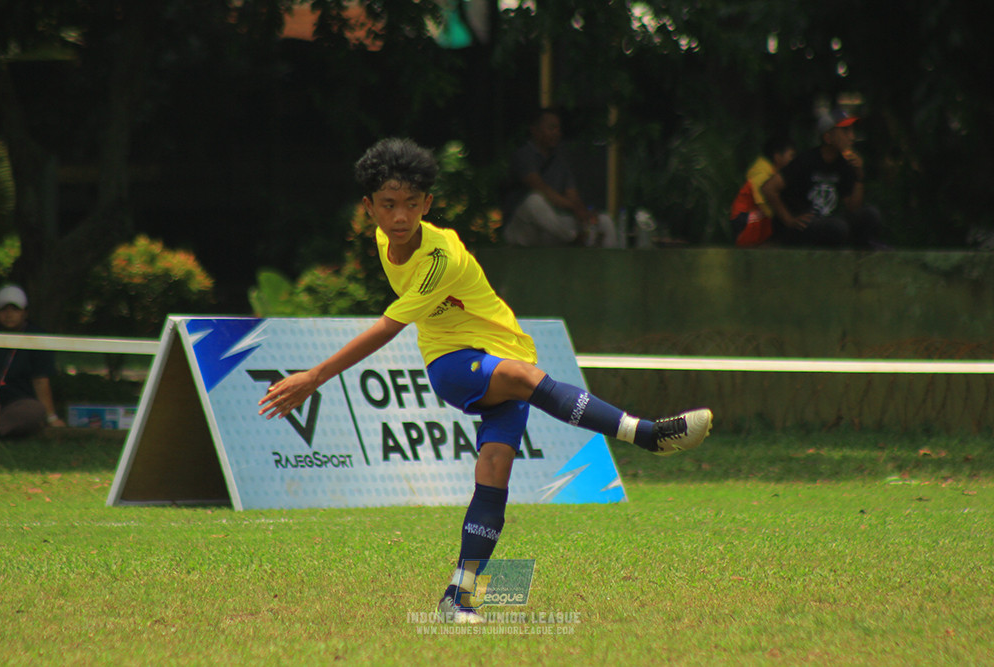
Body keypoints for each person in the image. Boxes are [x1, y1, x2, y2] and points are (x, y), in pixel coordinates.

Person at [258, 138, 713, 623]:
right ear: (368, 207)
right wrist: (314, 377)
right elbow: (390, 329)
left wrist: (315, 376)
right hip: (453, 363)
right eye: (388, 205)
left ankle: (458, 595)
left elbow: (387, 328)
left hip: (505, 350)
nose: (400, 217)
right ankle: (645, 435)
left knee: (494, 471)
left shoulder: (439, 257)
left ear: (427, 205)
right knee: (522, 379)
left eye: (412, 205)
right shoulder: (384, 239)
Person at [761, 108, 884, 247]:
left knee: (870, 214)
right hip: (804, 224)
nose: (852, 137)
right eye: (845, 131)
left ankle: (864, 252)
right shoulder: (806, 160)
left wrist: (859, 175)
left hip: (828, 222)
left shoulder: (846, 164)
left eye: (852, 131)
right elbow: (768, 189)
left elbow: (853, 207)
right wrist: (789, 219)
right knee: (838, 227)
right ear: (828, 137)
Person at [502, 108, 618, 247]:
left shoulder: (560, 163)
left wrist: (585, 214)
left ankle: (612, 260)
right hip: (522, 230)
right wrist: (575, 208)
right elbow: (542, 188)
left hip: (551, 228)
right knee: (534, 200)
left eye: (558, 129)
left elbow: (573, 196)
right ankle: (572, 239)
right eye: (551, 128)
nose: (556, 133)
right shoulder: (523, 156)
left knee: (604, 220)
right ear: (535, 130)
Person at [0, 285, 67, 437]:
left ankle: (0, 429)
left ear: (25, 312)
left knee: (34, 411)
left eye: (15, 309)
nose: (9, 315)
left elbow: (40, 380)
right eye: (3, 310)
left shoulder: (36, 337)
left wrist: (51, 417)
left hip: (18, 402)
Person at [729, 135, 795, 247]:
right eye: (791, 156)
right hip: (745, 216)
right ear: (778, 157)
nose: (793, 160)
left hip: (757, 214)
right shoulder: (761, 172)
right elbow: (762, 200)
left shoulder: (773, 172)